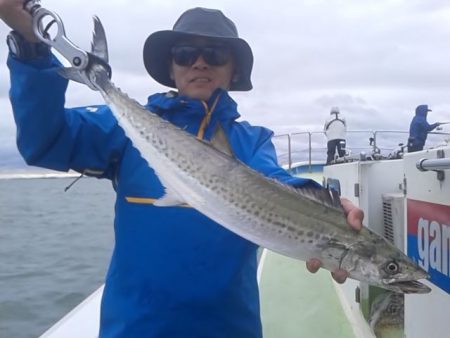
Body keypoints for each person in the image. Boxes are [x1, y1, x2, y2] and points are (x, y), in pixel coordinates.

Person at [0, 2, 364, 337]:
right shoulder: (125, 130)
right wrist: (32, 50)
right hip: (135, 328)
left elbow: (275, 183)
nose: (199, 63)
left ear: (233, 68)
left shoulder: (251, 141)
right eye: (185, 54)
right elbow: (43, 141)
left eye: (216, 54)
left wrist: (324, 210)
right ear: (172, 68)